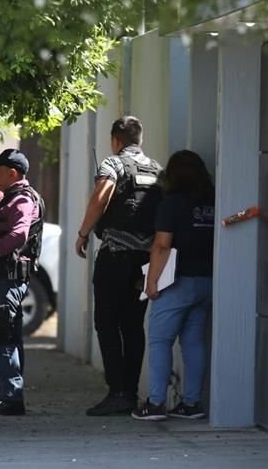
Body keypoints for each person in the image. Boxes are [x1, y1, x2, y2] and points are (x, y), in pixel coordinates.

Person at [75, 116, 163, 416]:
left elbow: (100, 198)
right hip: (145, 261)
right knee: (133, 325)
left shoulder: (113, 163)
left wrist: (83, 233)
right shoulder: (157, 169)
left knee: (106, 322)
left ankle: (117, 392)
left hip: (114, 256)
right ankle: (131, 392)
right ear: (140, 138)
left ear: (116, 140)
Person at [132, 150, 215, 421]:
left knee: (160, 340)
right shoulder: (214, 201)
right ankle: (191, 403)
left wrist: (152, 282)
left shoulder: (172, 204)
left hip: (178, 282)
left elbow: (162, 245)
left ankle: (156, 403)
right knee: (193, 341)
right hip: (208, 281)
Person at [0, 149, 44, 416]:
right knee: (8, 334)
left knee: (1, 333)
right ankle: (7, 395)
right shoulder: (11, 199)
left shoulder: (22, 200)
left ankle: (11, 398)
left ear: (12, 173)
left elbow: (18, 235)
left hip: (8, 276)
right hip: (2, 276)